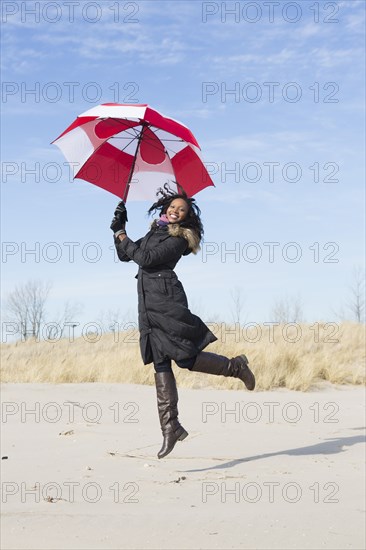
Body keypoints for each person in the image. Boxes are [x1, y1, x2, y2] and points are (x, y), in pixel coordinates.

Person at [110, 185, 255, 459]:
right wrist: (119, 226)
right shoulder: (156, 231)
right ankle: (170, 426)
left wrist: (122, 235)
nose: (175, 211)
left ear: (187, 217)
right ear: (165, 209)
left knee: (185, 357)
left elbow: (146, 258)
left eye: (181, 210)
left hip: (167, 301)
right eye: (172, 207)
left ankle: (235, 367)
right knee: (160, 360)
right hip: (147, 302)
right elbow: (125, 255)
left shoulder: (180, 239)